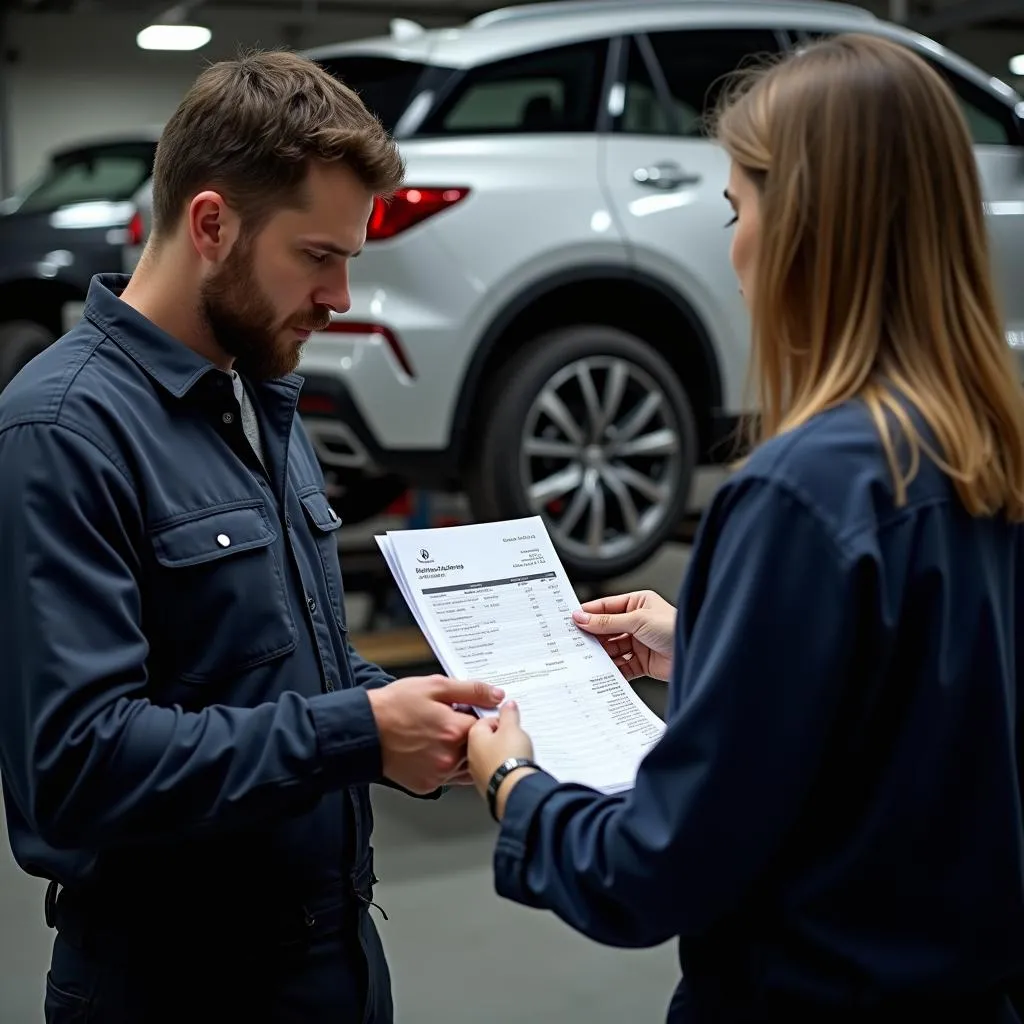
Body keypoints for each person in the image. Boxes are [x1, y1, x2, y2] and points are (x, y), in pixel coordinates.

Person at [466, 32, 1024, 1024]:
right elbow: (929, 715)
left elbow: (654, 865)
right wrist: (713, 647)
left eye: (737, 207)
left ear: (805, 227)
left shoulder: (797, 493)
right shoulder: (986, 456)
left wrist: (514, 783)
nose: (733, 248)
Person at [0, 50, 503, 1024]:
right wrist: (359, 732)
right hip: (175, 986)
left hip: (332, 965)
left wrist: (417, 708)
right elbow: (74, 767)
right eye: (318, 257)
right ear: (211, 224)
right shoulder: (62, 431)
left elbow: (276, 677)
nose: (340, 297)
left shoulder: (256, 400)